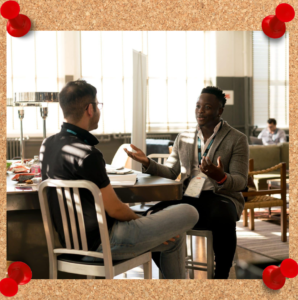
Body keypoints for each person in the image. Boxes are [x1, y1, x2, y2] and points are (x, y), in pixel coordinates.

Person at [39, 80, 199, 279]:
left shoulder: (47, 145)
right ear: (90, 109)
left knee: (174, 239)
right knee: (189, 211)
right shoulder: (89, 154)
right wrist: (142, 221)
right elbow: (115, 208)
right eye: (98, 105)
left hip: (69, 246)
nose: (98, 110)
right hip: (106, 242)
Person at [125, 86, 249, 279]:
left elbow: (241, 181)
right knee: (153, 215)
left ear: (220, 111)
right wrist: (148, 162)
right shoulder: (183, 138)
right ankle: (171, 275)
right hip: (189, 195)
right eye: (198, 106)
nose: (200, 110)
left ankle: (221, 276)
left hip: (221, 196)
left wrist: (220, 176)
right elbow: (171, 172)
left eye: (207, 107)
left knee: (223, 215)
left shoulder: (237, 139)